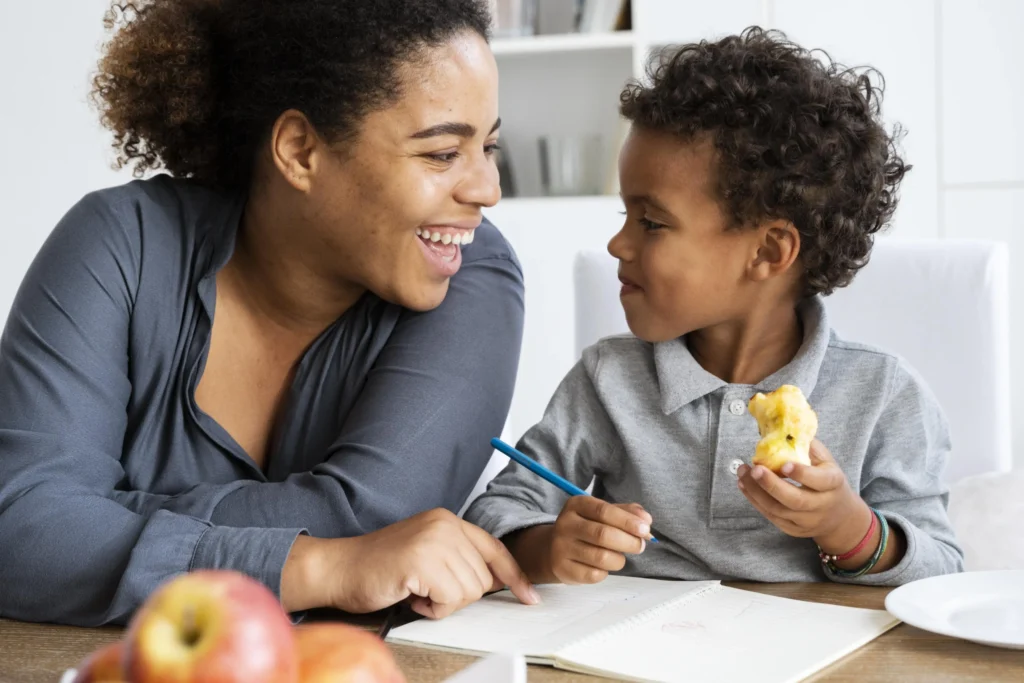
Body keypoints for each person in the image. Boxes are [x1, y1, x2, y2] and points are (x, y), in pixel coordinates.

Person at [0, 0, 541, 627]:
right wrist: (317, 567)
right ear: (300, 150)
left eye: (489, 146)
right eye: (442, 154)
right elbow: (21, 530)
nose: (487, 189)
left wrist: (103, 523)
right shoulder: (120, 244)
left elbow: (374, 521)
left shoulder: (470, 273)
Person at [465, 28, 964, 587]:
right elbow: (497, 511)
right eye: (624, 217)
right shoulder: (610, 379)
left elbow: (942, 570)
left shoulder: (884, 395)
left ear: (769, 251)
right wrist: (546, 547)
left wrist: (850, 530)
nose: (618, 245)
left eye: (651, 222)